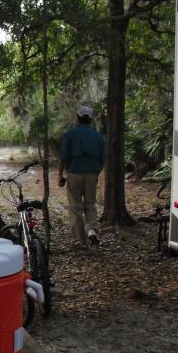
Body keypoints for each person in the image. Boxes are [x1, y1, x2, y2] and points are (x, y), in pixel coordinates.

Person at [58, 105, 105, 247]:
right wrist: (96, 172)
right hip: (92, 174)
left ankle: (80, 240)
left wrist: (60, 174)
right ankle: (92, 230)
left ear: (78, 118)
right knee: (90, 204)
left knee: (75, 206)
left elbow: (63, 157)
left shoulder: (71, 134)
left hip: (74, 173)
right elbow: (103, 158)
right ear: (90, 119)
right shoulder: (98, 136)